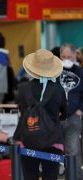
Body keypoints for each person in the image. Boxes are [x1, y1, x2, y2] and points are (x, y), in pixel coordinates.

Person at [14, 49, 67, 180]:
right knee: (51, 175)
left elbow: (21, 109)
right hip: (52, 139)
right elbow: (65, 113)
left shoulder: (23, 88)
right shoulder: (58, 89)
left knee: (29, 175)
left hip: (27, 137)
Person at [59, 43, 83, 179]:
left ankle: (76, 177)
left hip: (74, 117)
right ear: (59, 56)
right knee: (55, 149)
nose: (66, 59)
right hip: (56, 117)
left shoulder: (81, 73)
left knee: (73, 150)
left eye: (69, 56)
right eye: (63, 56)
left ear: (75, 56)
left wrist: (81, 110)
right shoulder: (53, 71)